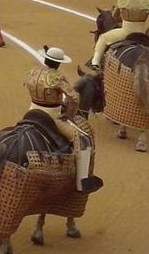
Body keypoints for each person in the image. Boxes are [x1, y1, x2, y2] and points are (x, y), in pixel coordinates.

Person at [26, 47, 104, 193]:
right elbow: (74, 97)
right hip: (51, 116)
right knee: (84, 140)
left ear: (45, 59)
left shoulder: (33, 72)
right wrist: (69, 114)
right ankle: (82, 183)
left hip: (31, 112)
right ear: (59, 63)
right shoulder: (57, 78)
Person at [89, 0, 149, 69]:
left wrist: (122, 22)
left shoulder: (122, 2)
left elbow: (114, 16)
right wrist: (148, 33)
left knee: (103, 38)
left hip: (125, 32)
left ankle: (95, 63)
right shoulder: (148, 4)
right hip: (142, 34)